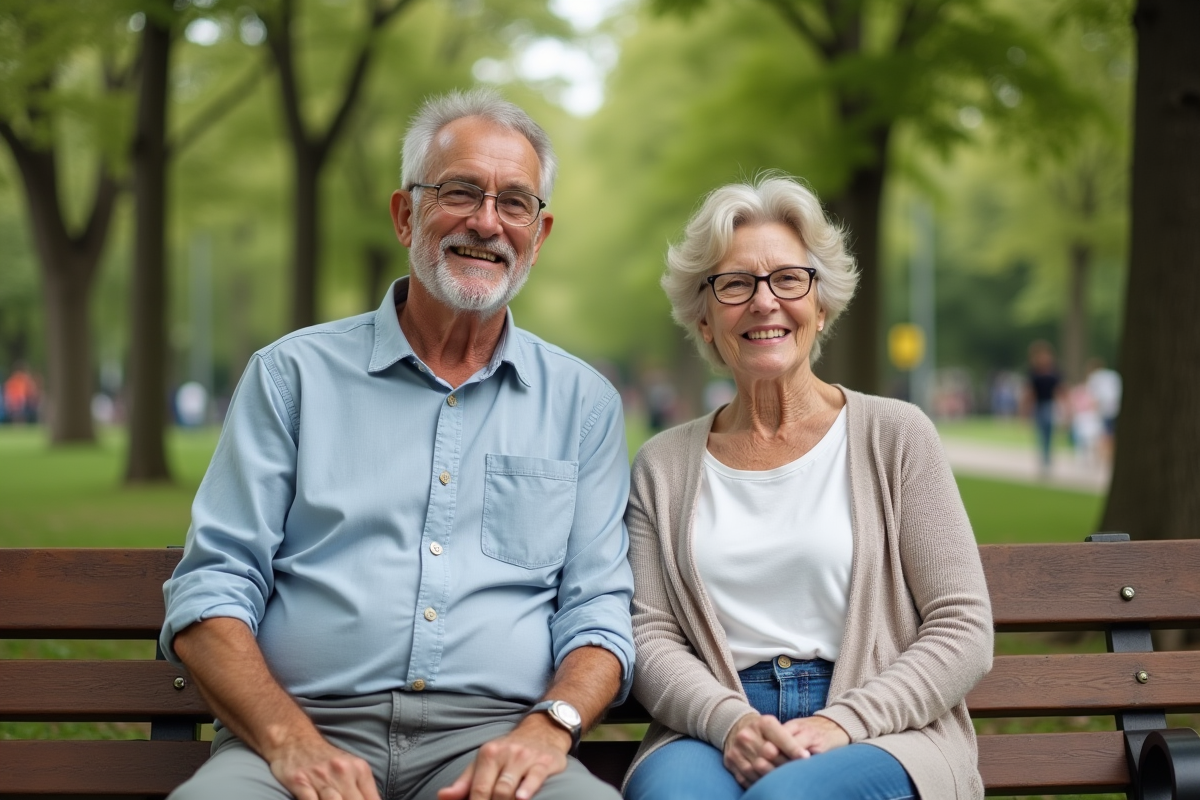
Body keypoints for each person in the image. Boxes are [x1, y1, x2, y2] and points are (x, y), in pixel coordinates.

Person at [160, 89, 634, 800]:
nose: (486, 221)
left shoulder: (583, 404)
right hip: (297, 734)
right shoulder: (292, 376)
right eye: (460, 191)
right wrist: (291, 744)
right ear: (405, 213)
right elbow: (211, 588)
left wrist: (549, 728)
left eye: (515, 203)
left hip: (494, 744)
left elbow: (598, 609)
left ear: (540, 232)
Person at [621, 175, 993, 800]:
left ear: (821, 306)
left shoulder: (897, 436)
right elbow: (647, 634)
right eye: (735, 284)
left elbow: (963, 626)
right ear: (705, 320)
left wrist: (842, 720)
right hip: (716, 722)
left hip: (882, 723)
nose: (764, 302)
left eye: (789, 279)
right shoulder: (662, 466)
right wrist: (729, 719)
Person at [1023, 340, 1062, 472]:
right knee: (1042, 433)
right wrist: (1025, 409)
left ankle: (1047, 458)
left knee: (1049, 433)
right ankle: (1044, 459)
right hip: (1039, 405)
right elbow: (1031, 392)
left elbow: (1059, 390)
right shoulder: (1034, 373)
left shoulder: (1054, 372)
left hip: (1050, 405)